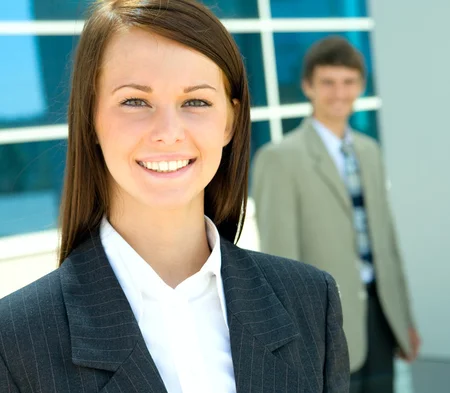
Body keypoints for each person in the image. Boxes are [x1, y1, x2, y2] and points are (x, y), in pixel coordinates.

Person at [0, 1, 349, 392]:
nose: (168, 131)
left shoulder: (310, 301)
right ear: (90, 119)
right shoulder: (14, 340)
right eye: (134, 101)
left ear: (230, 122)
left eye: (195, 101)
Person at [252, 36, 419, 393]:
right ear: (308, 86)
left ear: (360, 85)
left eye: (348, 82)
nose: (339, 93)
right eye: (327, 82)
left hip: (380, 317)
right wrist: (293, 339)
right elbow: (279, 258)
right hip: (323, 323)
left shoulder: (370, 151)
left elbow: (386, 243)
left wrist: (405, 319)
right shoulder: (279, 158)